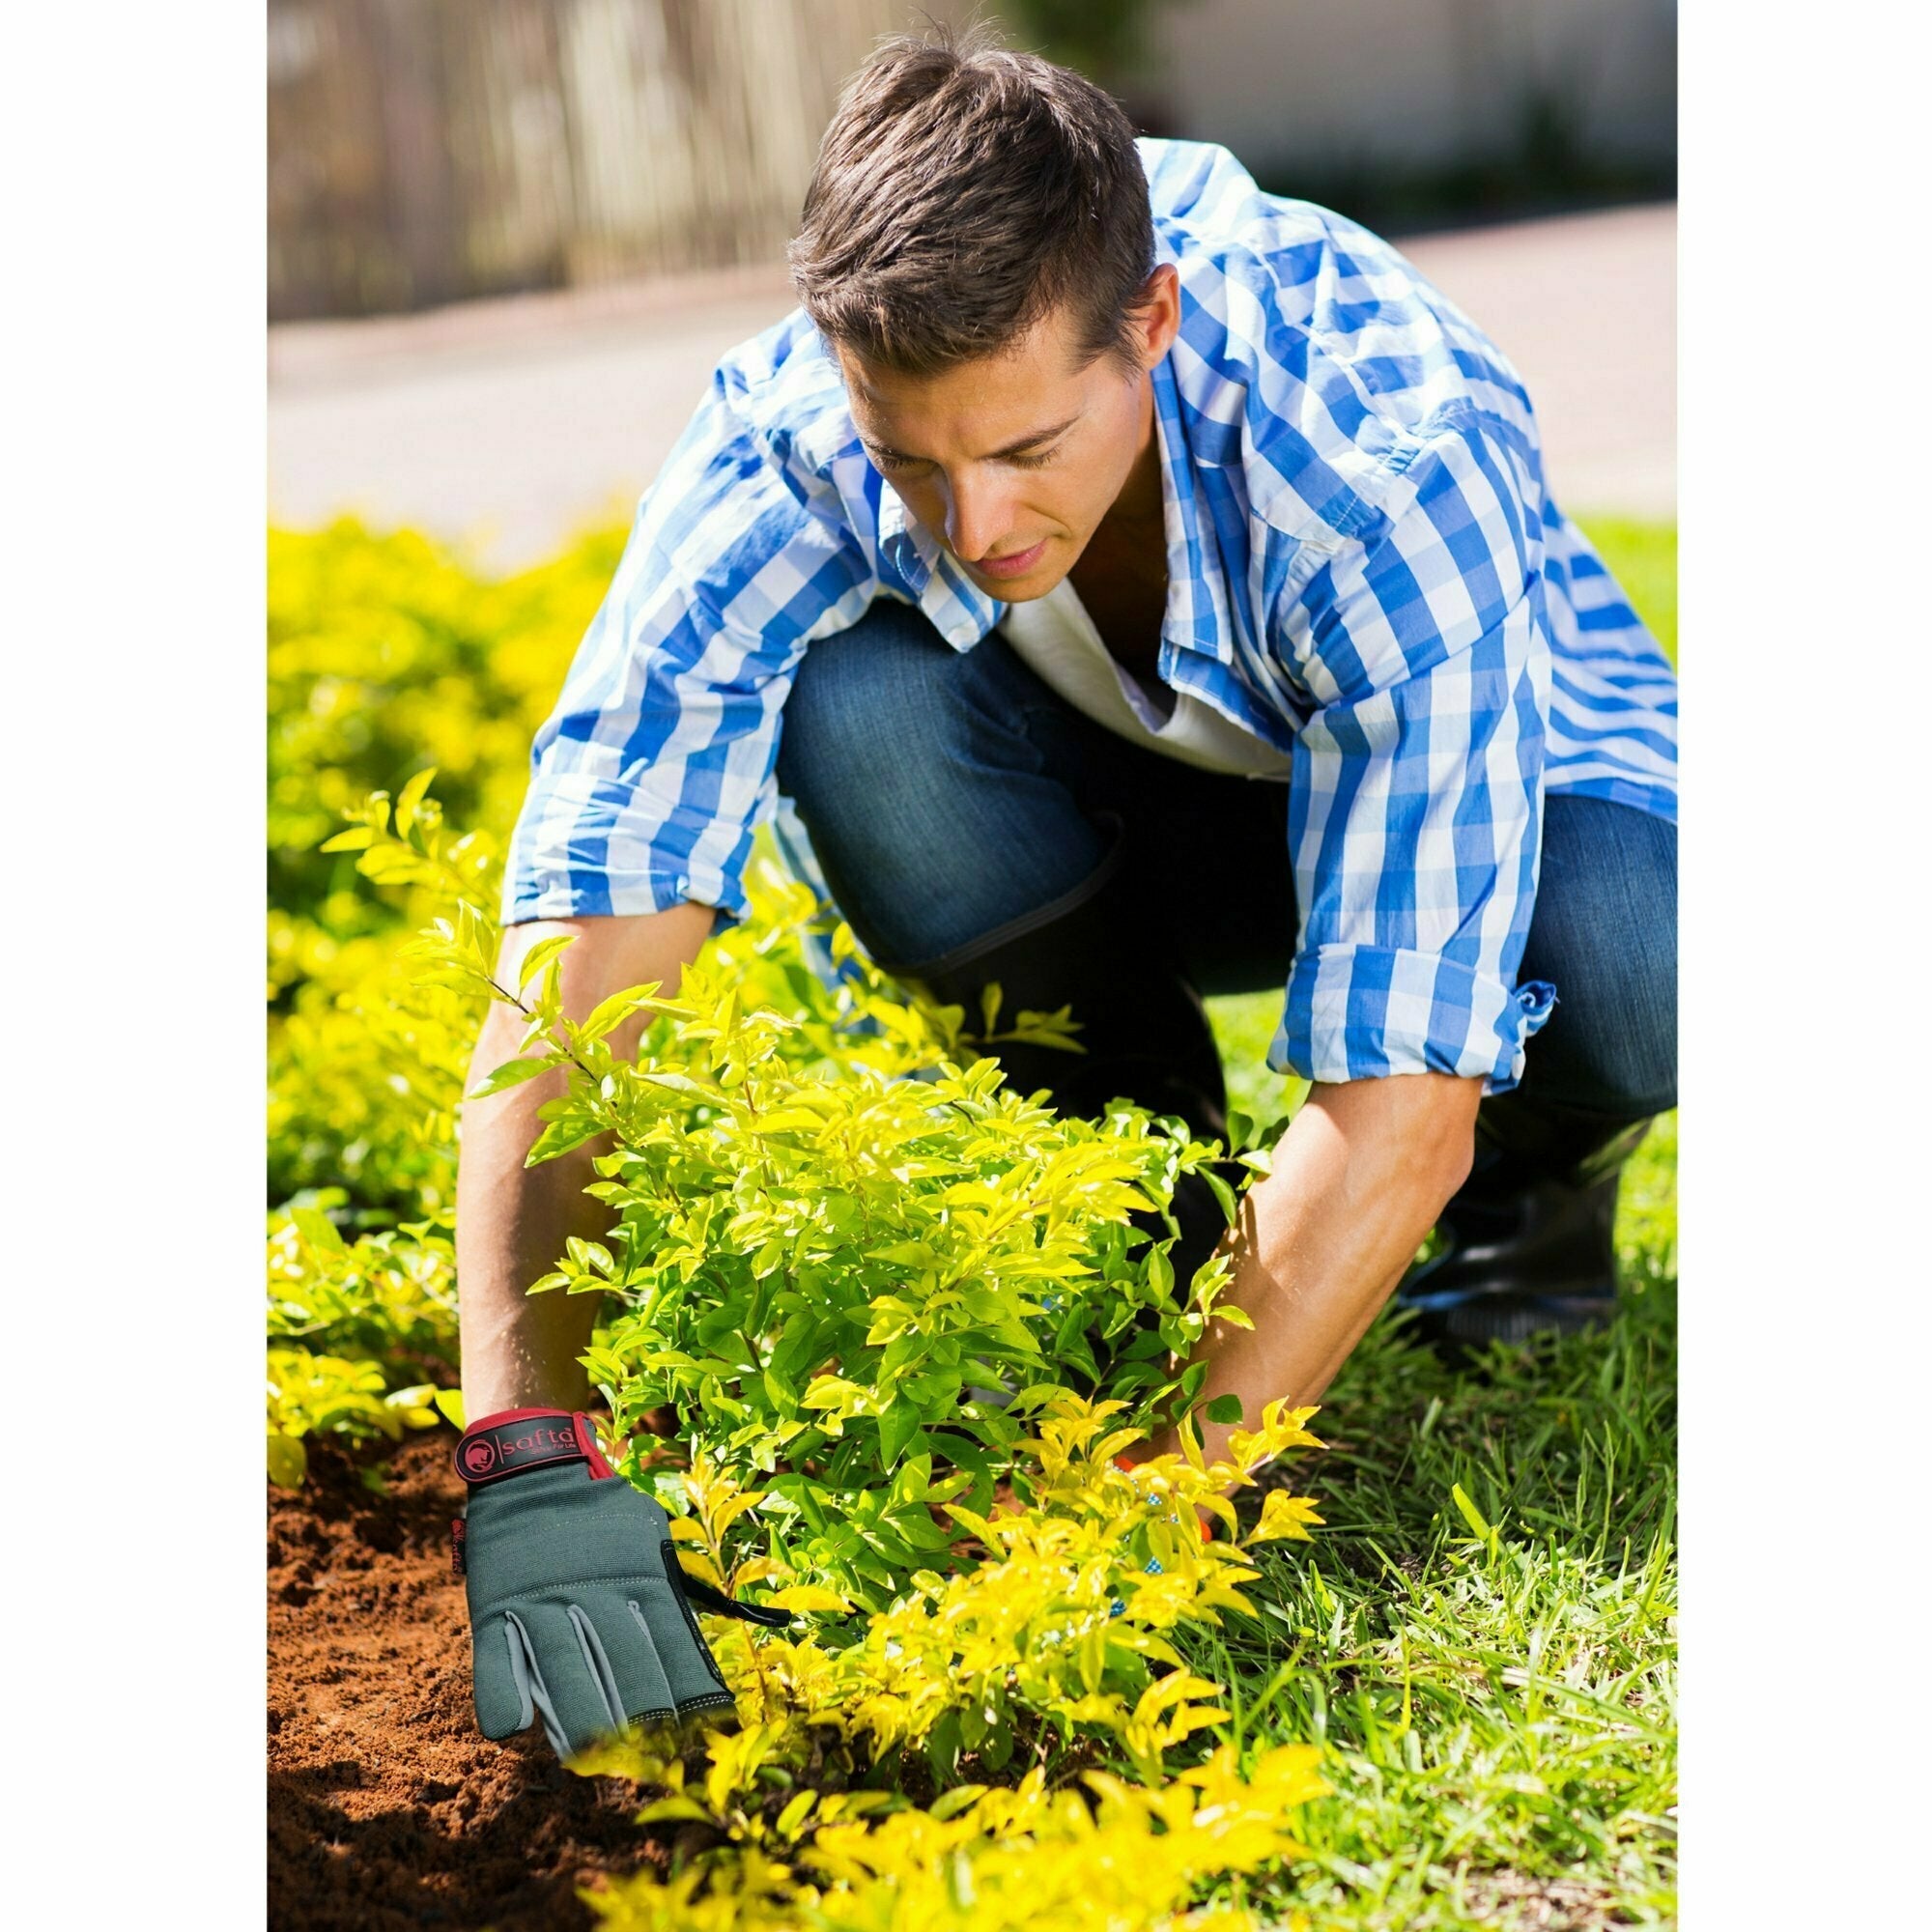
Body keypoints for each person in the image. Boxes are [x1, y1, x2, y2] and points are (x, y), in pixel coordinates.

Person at [448, 27, 1676, 1756]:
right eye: (913, 462)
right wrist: (526, 1440)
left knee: (1638, 951)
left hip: (1508, 817)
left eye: (1028, 446)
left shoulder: (1382, 440)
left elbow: (1405, 1080)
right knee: (858, 702)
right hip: (1122, 811)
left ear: (1150, 322)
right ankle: (1134, 1183)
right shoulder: (794, 434)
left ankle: (1530, 1204)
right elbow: (596, 903)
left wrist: (1127, 1532)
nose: (972, 522)